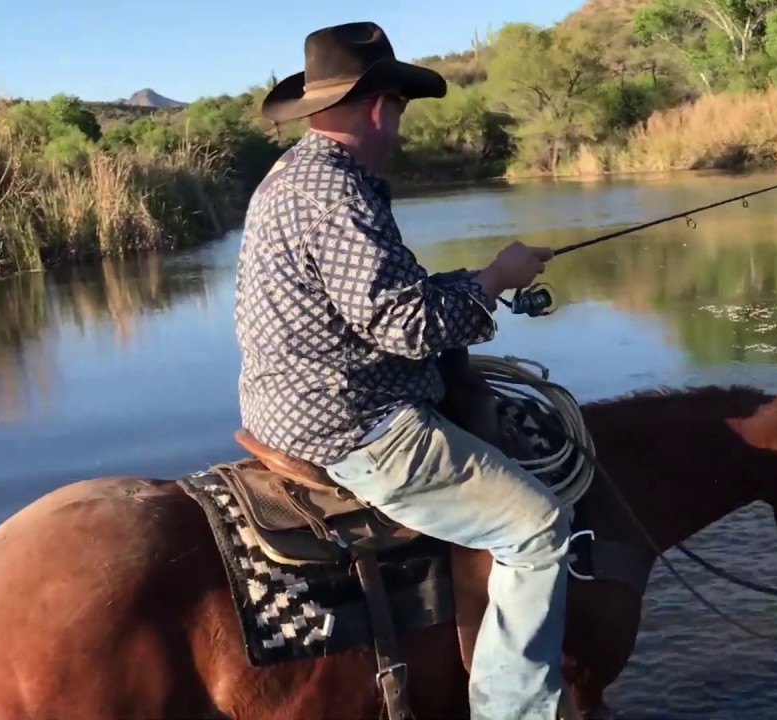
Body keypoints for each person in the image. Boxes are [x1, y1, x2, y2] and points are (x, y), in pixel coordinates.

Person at [234, 21, 571, 720]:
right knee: (540, 526)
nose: (400, 131)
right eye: (401, 114)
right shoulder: (336, 193)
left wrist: (482, 279)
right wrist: (497, 279)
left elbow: (388, 297)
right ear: (383, 106)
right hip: (353, 421)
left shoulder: (293, 177)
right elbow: (408, 328)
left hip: (285, 404)